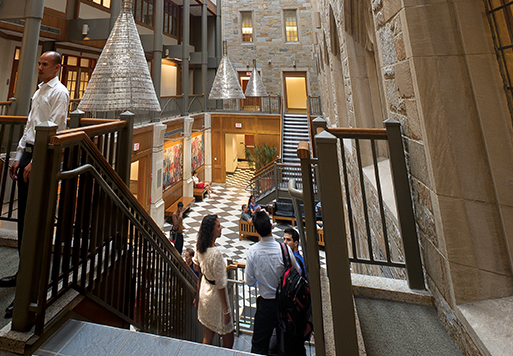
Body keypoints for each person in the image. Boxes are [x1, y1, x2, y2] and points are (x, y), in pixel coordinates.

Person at [2, 51, 69, 318]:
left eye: (44, 64)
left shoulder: (59, 93)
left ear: (56, 68)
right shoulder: (40, 90)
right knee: (23, 220)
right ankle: (22, 273)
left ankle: (32, 286)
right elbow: (31, 125)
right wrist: (20, 156)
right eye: (39, 63)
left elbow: (58, 129)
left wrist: (37, 161)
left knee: (36, 220)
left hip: (42, 157)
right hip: (29, 154)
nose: (39, 67)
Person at [245, 211, 301, 355]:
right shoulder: (284, 249)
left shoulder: (253, 252)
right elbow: (298, 273)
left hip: (266, 305)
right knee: (288, 344)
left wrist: (261, 279)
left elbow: (249, 281)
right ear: (271, 226)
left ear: (256, 230)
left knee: (259, 345)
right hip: (285, 305)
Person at [193, 215, 234, 348]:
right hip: (216, 298)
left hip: (205, 293)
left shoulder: (200, 246)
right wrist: (226, 310)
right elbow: (221, 285)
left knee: (208, 335)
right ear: (211, 230)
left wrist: (197, 296)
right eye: (218, 226)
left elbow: (197, 268)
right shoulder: (216, 253)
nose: (221, 228)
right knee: (228, 335)